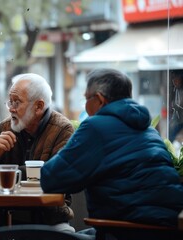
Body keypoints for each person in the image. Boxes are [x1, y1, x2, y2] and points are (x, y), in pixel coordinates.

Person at [40, 68, 183, 240]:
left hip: (127, 230)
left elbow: (51, 179)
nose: (85, 105)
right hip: (167, 229)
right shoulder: (148, 129)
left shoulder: (95, 127)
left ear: (100, 99)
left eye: (86, 98)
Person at [0, 73, 75, 239]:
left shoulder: (62, 129)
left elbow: (57, 175)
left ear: (38, 106)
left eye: (16, 102)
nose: (11, 108)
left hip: (48, 219)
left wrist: (6, 174)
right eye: (10, 101)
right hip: (1, 218)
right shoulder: (6, 126)